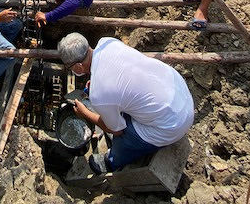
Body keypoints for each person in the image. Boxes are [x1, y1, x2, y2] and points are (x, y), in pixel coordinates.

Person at [57, 33, 194, 174]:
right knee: (119, 107)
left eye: (70, 67)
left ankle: (111, 161)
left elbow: (116, 130)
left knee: (123, 137)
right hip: (178, 90)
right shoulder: (107, 42)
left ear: (79, 66)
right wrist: (99, 86)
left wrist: (84, 113)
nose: (71, 71)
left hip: (174, 123)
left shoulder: (100, 94)